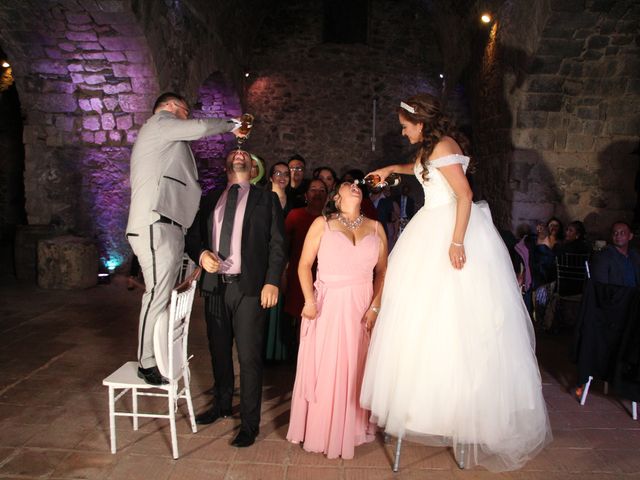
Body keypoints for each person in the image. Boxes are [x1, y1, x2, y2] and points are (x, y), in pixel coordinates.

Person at [360, 93, 552, 472]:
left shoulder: (444, 145)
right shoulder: (430, 149)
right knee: (419, 322)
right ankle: (422, 404)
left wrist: (457, 241)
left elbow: (464, 194)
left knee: (452, 319)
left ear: (421, 122)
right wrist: (390, 169)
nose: (402, 130)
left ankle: (458, 410)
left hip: (448, 229)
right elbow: (418, 168)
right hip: (429, 228)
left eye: (405, 125)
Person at [126, 92, 245, 386]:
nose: (187, 117)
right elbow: (200, 128)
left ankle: (161, 354)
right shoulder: (159, 122)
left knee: (166, 295)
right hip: (155, 222)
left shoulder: (167, 138)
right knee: (156, 294)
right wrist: (232, 125)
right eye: (185, 111)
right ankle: (146, 361)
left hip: (170, 225)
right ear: (171, 107)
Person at [185, 149, 286, 447]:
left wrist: (272, 282)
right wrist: (202, 254)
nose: (239, 155)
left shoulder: (265, 199)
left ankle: (250, 424)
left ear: (254, 166)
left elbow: (278, 244)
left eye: (245, 154)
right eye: (234, 152)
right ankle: (221, 405)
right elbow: (193, 237)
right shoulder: (210, 198)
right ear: (226, 164)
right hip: (215, 286)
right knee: (218, 350)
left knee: (249, 357)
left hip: (250, 287)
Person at [287, 181, 388, 459]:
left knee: (356, 366)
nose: (355, 186)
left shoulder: (377, 228)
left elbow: (383, 272)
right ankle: (323, 428)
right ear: (336, 197)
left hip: (361, 305)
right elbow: (304, 265)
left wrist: (375, 307)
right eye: (348, 184)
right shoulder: (323, 224)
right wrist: (309, 300)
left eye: (357, 185)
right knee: (329, 365)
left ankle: (352, 428)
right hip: (328, 305)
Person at [283, 179, 329, 357]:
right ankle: (299, 357)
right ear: (306, 195)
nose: (317, 193)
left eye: (322, 190)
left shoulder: (332, 219)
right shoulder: (295, 215)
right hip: (299, 271)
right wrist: (283, 272)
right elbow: (284, 246)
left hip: (324, 275)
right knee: (300, 315)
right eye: (313, 190)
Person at [264, 161, 292, 361]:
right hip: (267, 258)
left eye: (286, 174)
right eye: (278, 173)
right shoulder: (263, 199)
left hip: (288, 258)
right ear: (270, 177)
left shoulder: (294, 202)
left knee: (282, 307)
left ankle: (279, 352)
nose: (282, 177)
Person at [591, 221, 640, 287]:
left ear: (630, 236)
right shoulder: (603, 257)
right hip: (616, 296)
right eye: (615, 233)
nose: (618, 235)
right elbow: (601, 287)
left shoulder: (634, 255)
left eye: (622, 233)